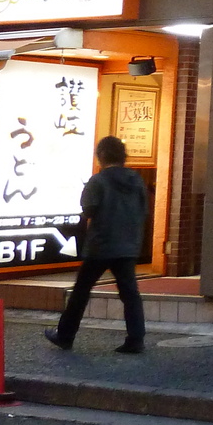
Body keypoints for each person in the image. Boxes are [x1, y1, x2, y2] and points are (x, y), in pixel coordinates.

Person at [44, 137, 148, 354]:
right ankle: (136, 339)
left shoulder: (98, 180)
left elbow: (89, 209)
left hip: (101, 244)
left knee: (81, 291)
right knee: (130, 294)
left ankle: (65, 335)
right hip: (128, 245)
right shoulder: (136, 180)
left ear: (101, 156)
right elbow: (144, 210)